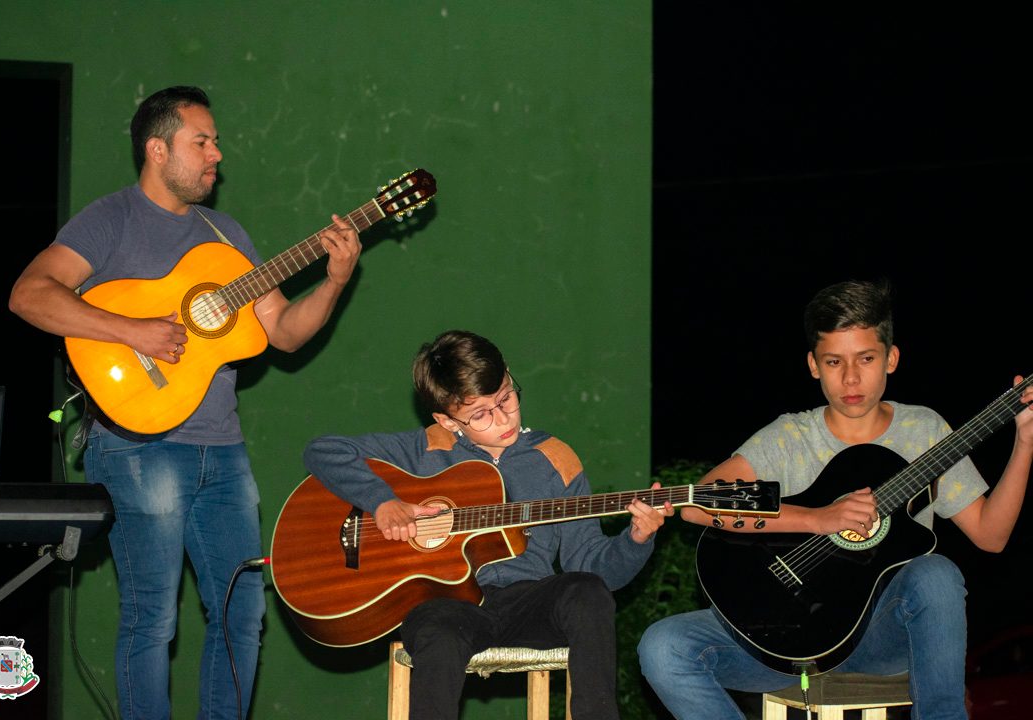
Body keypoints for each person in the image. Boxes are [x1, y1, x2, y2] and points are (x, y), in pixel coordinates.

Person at [8, 85, 362, 720]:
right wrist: (132, 331)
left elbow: (282, 331)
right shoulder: (109, 219)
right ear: (157, 148)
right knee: (154, 620)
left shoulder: (225, 237)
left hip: (223, 451)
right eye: (202, 141)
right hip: (138, 447)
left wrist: (334, 281)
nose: (216, 155)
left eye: (216, 142)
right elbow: (29, 295)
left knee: (244, 615)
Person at [637, 278, 1033, 720]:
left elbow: (991, 536)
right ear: (813, 365)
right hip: (783, 640)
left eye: (866, 359)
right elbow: (699, 505)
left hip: (879, 637)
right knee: (663, 645)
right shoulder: (790, 437)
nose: (850, 378)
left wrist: (1025, 443)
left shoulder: (923, 432)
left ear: (891, 359)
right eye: (833, 361)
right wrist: (817, 518)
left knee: (936, 572)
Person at [303, 329, 670, 720]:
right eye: (480, 414)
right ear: (447, 420)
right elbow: (324, 451)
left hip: (529, 602)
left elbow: (593, 565)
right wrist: (382, 502)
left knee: (587, 591)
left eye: (506, 398)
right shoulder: (425, 447)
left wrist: (635, 538)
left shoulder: (554, 459)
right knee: (438, 630)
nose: (502, 419)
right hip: (448, 605)